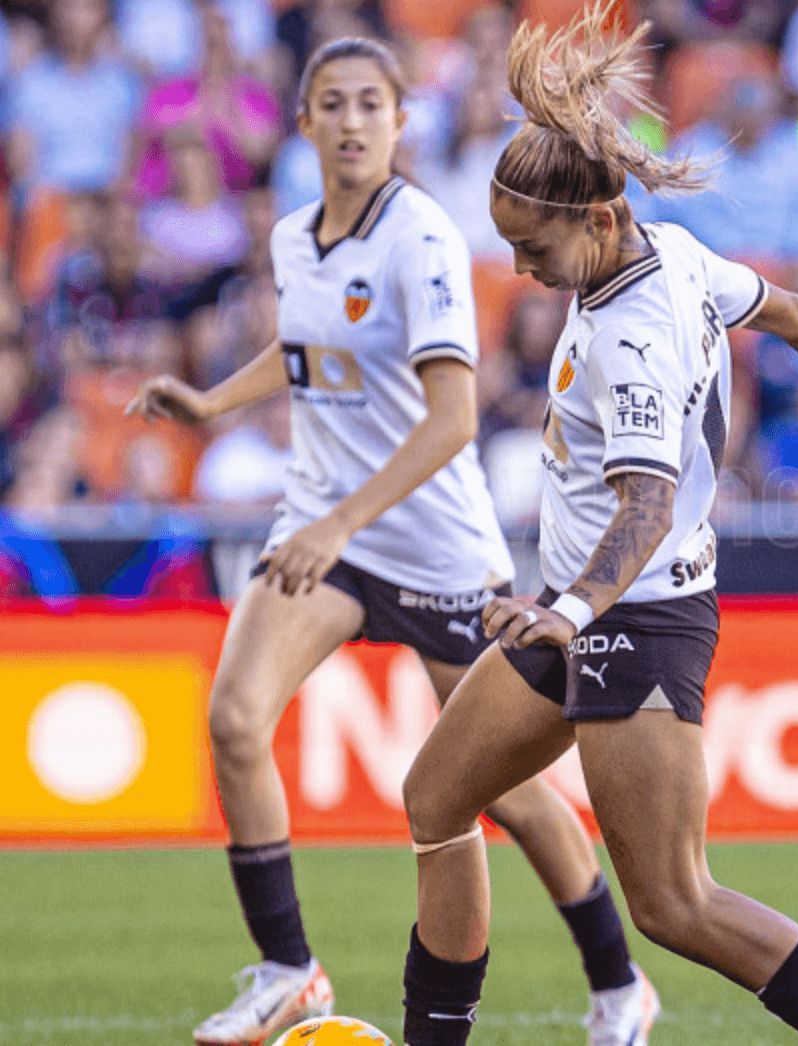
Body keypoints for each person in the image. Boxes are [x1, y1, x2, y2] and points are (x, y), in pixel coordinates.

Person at [397, 13, 798, 1046]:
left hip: (635, 618)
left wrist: (566, 609)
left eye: (534, 248)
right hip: (583, 611)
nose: (520, 268)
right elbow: (788, 308)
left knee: (675, 903)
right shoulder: (672, 252)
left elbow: (647, 506)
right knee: (436, 793)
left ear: (601, 222)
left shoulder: (634, 335)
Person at [126, 37, 655, 1046]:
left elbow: (453, 420)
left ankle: (618, 978)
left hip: (436, 547)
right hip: (329, 529)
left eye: (374, 101)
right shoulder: (293, 238)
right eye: (335, 102)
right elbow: (305, 355)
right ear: (306, 123)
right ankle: (289, 970)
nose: (356, 119)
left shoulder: (421, 236)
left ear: (401, 121)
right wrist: (212, 399)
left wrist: (335, 525)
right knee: (237, 718)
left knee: (499, 787)